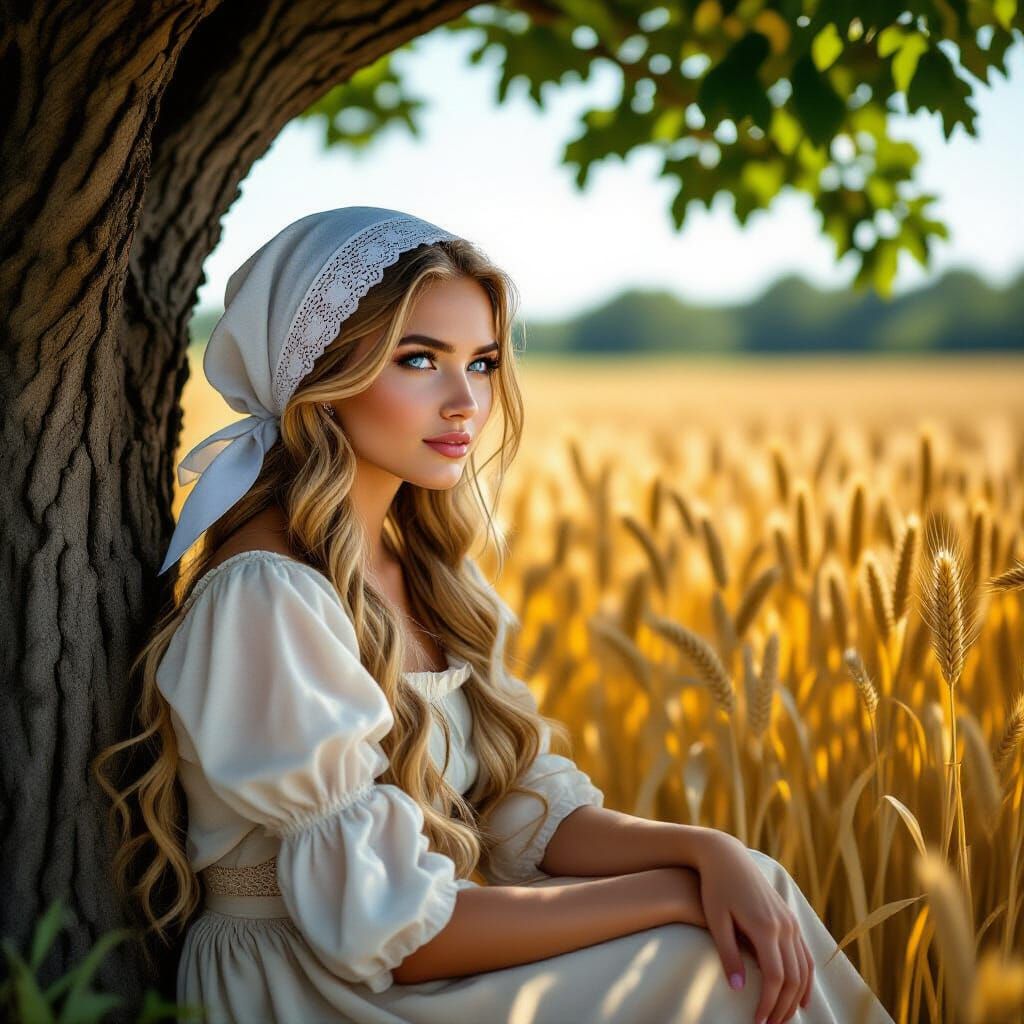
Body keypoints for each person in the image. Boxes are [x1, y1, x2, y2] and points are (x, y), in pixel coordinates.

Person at [92, 207, 894, 1024]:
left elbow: (525, 814)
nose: (464, 402)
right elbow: (400, 936)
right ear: (315, 377)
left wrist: (705, 851)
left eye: (479, 363)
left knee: (761, 887)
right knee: (714, 962)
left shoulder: (428, 578)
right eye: (419, 360)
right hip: (314, 985)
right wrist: (668, 896)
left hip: (409, 954)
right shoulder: (267, 594)